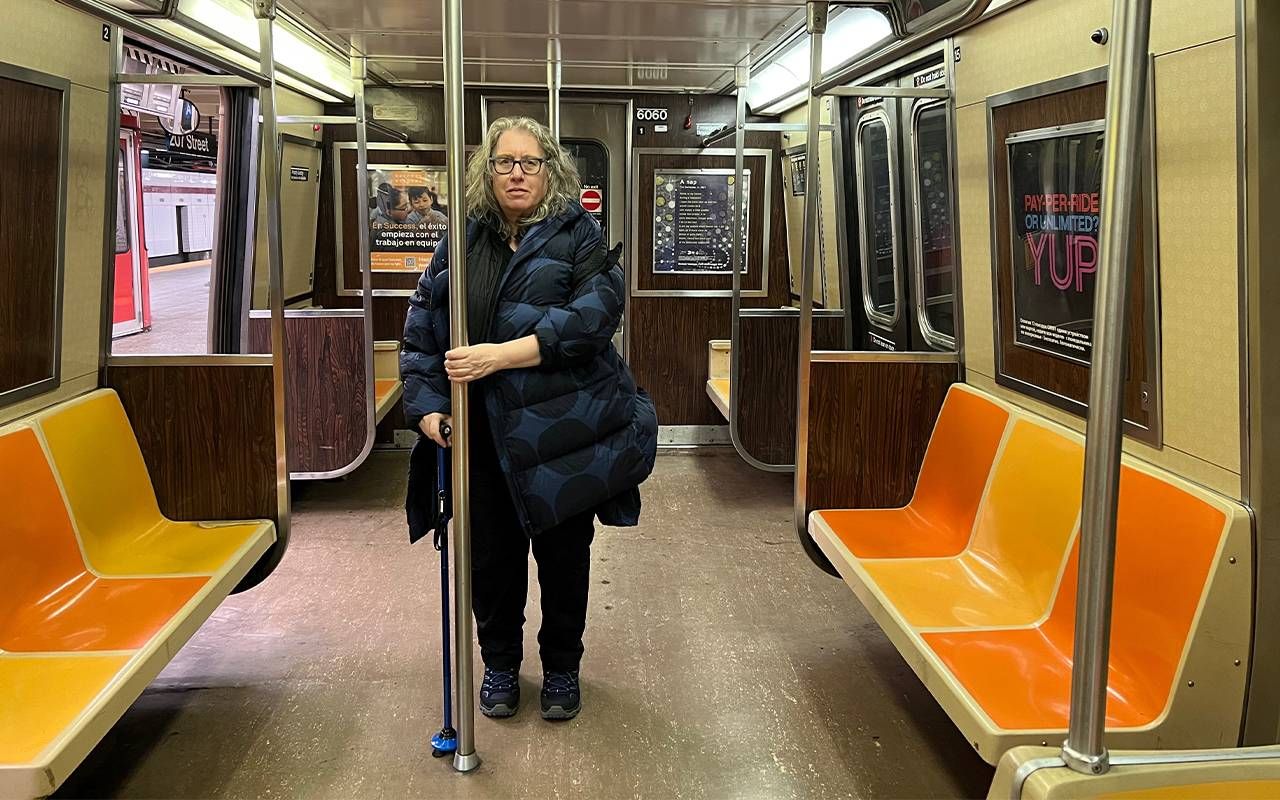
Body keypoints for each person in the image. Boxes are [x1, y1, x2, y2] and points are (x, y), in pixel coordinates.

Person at [401, 116, 657, 722]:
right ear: (485, 172)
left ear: (551, 172)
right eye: (503, 162)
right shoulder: (461, 241)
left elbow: (595, 318)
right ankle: (499, 666)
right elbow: (423, 326)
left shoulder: (579, 235)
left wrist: (501, 355)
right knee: (492, 561)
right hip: (484, 432)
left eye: (529, 162)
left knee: (565, 559)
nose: (516, 173)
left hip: (564, 430)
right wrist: (429, 407)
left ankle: (563, 667)